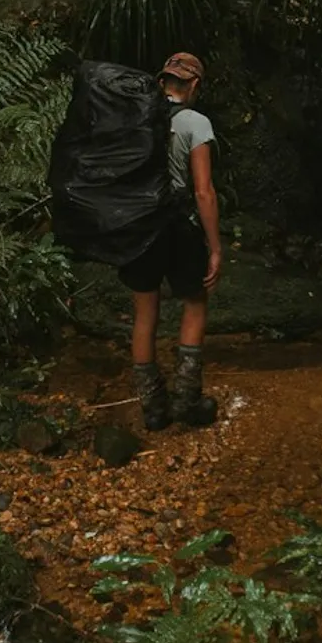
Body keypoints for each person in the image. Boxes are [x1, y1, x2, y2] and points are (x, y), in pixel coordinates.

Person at [122, 51, 223, 429]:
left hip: (138, 227)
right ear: (194, 85)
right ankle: (187, 402)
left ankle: (153, 408)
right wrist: (214, 247)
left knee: (145, 313)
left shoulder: (134, 118)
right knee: (194, 304)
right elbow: (203, 192)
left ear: (162, 81)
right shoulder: (196, 122)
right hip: (179, 227)